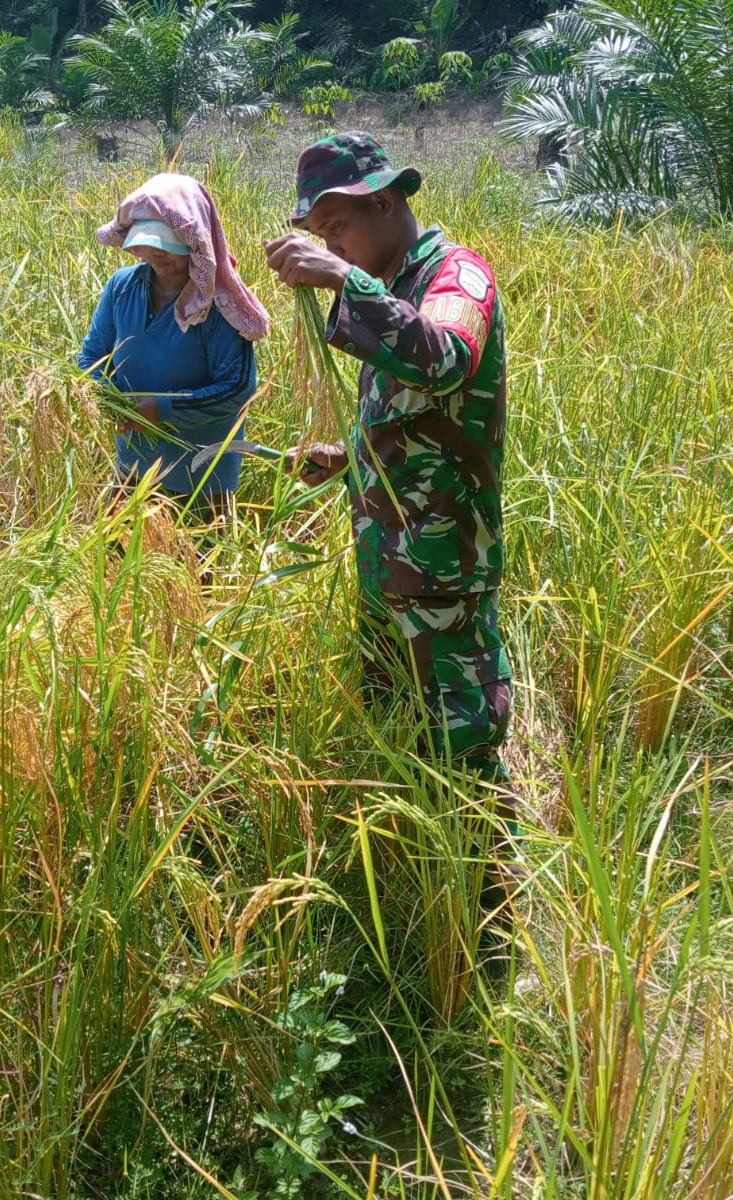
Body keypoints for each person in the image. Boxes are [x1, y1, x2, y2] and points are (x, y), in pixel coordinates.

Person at [263, 132, 515, 847]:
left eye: (335, 227)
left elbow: (445, 359)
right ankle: (418, 891)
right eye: (319, 236)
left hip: (442, 570)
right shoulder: (397, 288)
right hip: (388, 566)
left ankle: (489, 912)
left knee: (462, 748)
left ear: (383, 201)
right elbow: (419, 412)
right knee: (400, 730)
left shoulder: (456, 277)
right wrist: (348, 454)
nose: (331, 246)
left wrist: (346, 283)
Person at [79, 173, 270, 520]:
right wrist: (110, 400)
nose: (157, 255)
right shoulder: (121, 288)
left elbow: (237, 390)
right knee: (121, 565)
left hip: (200, 478)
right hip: (133, 469)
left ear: (195, 241)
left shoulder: (218, 305)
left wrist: (161, 410)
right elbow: (91, 358)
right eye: (149, 246)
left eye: (168, 246)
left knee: (201, 568)